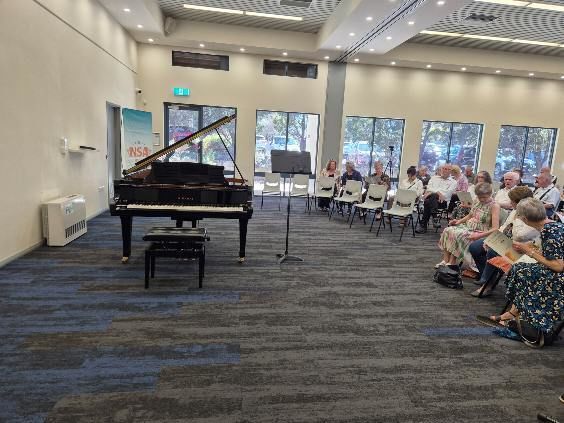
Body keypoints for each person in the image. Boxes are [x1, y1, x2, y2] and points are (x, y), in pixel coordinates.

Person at [483, 198, 563, 338]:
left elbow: (558, 266)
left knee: (521, 271)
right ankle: (514, 314)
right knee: (521, 269)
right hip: (555, 273)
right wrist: (530, 250)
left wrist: (528, 251)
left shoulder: (550, 231)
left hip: (559, 278)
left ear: (524, 219)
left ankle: (522, 319)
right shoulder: (553, 226)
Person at [468, 186, 539, 297]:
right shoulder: (515, 211)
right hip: (506, 241)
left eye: (512, 201)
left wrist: (516, 222)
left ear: (520, 202)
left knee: (492, 250)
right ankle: (488, 278)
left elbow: (520, 236)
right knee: (475, 247)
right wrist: (491, 240)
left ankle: (487, 283)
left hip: (521, 248)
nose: (510, 204)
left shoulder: (533, 215)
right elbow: (504, 227)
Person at [436, 182, 500, 269]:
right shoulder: (477, 201)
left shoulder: (494, 206)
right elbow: (470, 215)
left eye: (484, 197)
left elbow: (495, 228)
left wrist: (478, 236)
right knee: (448, 230)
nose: (481, 199)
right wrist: (458, 221)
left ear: (490, 194)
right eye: (479, 197)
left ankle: (452, 262)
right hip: (469, 226)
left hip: (481, 231)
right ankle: (446, 260)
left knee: (459, 234)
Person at [415, 164, 457, 234]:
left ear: (450, 171)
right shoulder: (434, 178)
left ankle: (423, 225)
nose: (445, 170)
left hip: (442, 202)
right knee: (431, 199)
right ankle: (435, 217)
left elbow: (447, 194)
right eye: (443, 168)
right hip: (433, 201)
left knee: (428, 201)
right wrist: (438, 192)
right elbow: (429, 188)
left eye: (447, 169)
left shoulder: (453, 182)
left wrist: (434, 192)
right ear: (441, 169)